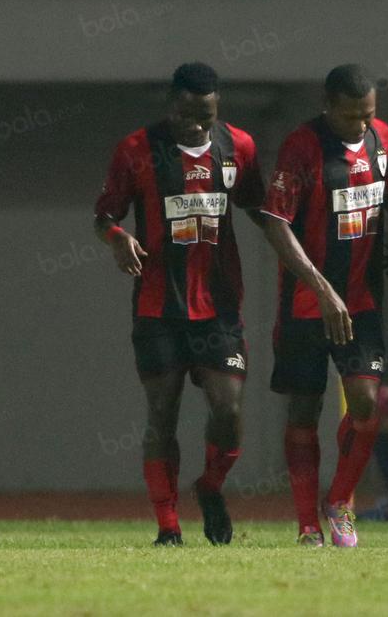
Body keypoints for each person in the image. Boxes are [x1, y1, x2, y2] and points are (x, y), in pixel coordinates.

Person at [94, 63, 265, 546]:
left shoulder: (240, 147)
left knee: (228, 411)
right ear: (172, 106)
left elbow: (261, 210)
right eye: (189, 116)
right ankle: (168, 527)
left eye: (207, 118)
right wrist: (116, 238)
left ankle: (210, 485)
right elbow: (104, 214)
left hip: (221, 308)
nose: (198, 127)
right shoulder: (136, 150)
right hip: (159, 308)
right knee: (161, 414)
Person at [261, 65, 388, 547]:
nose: (360, 126)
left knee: (366, 404)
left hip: (362, 300)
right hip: (306, 301)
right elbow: (275, 223)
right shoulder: (301, 147)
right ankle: (306, 525)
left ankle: (339, 501)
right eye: (349, 117)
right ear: (327, 106)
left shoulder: (383, 137)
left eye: (368, 115)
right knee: (304, 408)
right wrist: (322, 289)